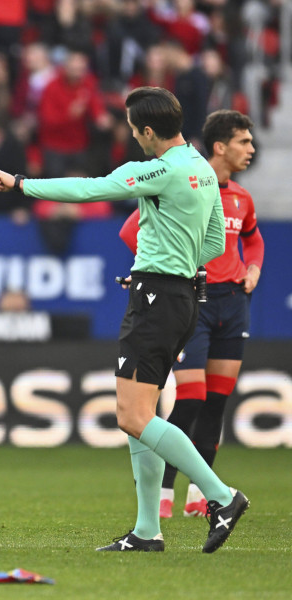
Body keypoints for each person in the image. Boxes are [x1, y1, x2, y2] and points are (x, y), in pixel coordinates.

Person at [0, 86, 249, 554]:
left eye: (132, 127)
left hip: (158, 300)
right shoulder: (204, 171)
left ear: (146, 131)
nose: (131, 134)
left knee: (133, 415)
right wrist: (165, 263)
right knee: (138, 414)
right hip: (184, 296)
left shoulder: (157, 170)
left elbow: (88, 189)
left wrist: (20, 183)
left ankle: (221, 497)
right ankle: (147, 531)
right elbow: (214, 247)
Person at [118, 109, 263, 519]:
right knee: (192, 398)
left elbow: (252, 242)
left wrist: (253, 269)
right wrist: (158, 266)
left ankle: (202, 495)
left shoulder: (240, 197)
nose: (251, 149)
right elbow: (132, 231)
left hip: (232, 303)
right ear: (221, 146)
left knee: (215, 400)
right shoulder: (188, 181)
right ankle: (169, 493)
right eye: (244, 141)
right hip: (193, 299)